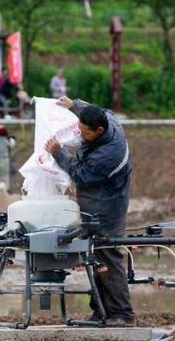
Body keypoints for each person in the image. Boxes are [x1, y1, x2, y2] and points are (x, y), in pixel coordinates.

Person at [44, 96, 135, 327]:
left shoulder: (108, 154)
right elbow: (97, 108)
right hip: (93, 207)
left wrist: (59, 153)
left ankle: (122, 315)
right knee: (95, 260)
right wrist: (73, 104)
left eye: (85, 133)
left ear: (100, 130)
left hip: (107, 209)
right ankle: (101, 311)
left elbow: (81, 175)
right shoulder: (105, 120)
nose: (81, 135)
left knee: (109, 260)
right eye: (80, 129)